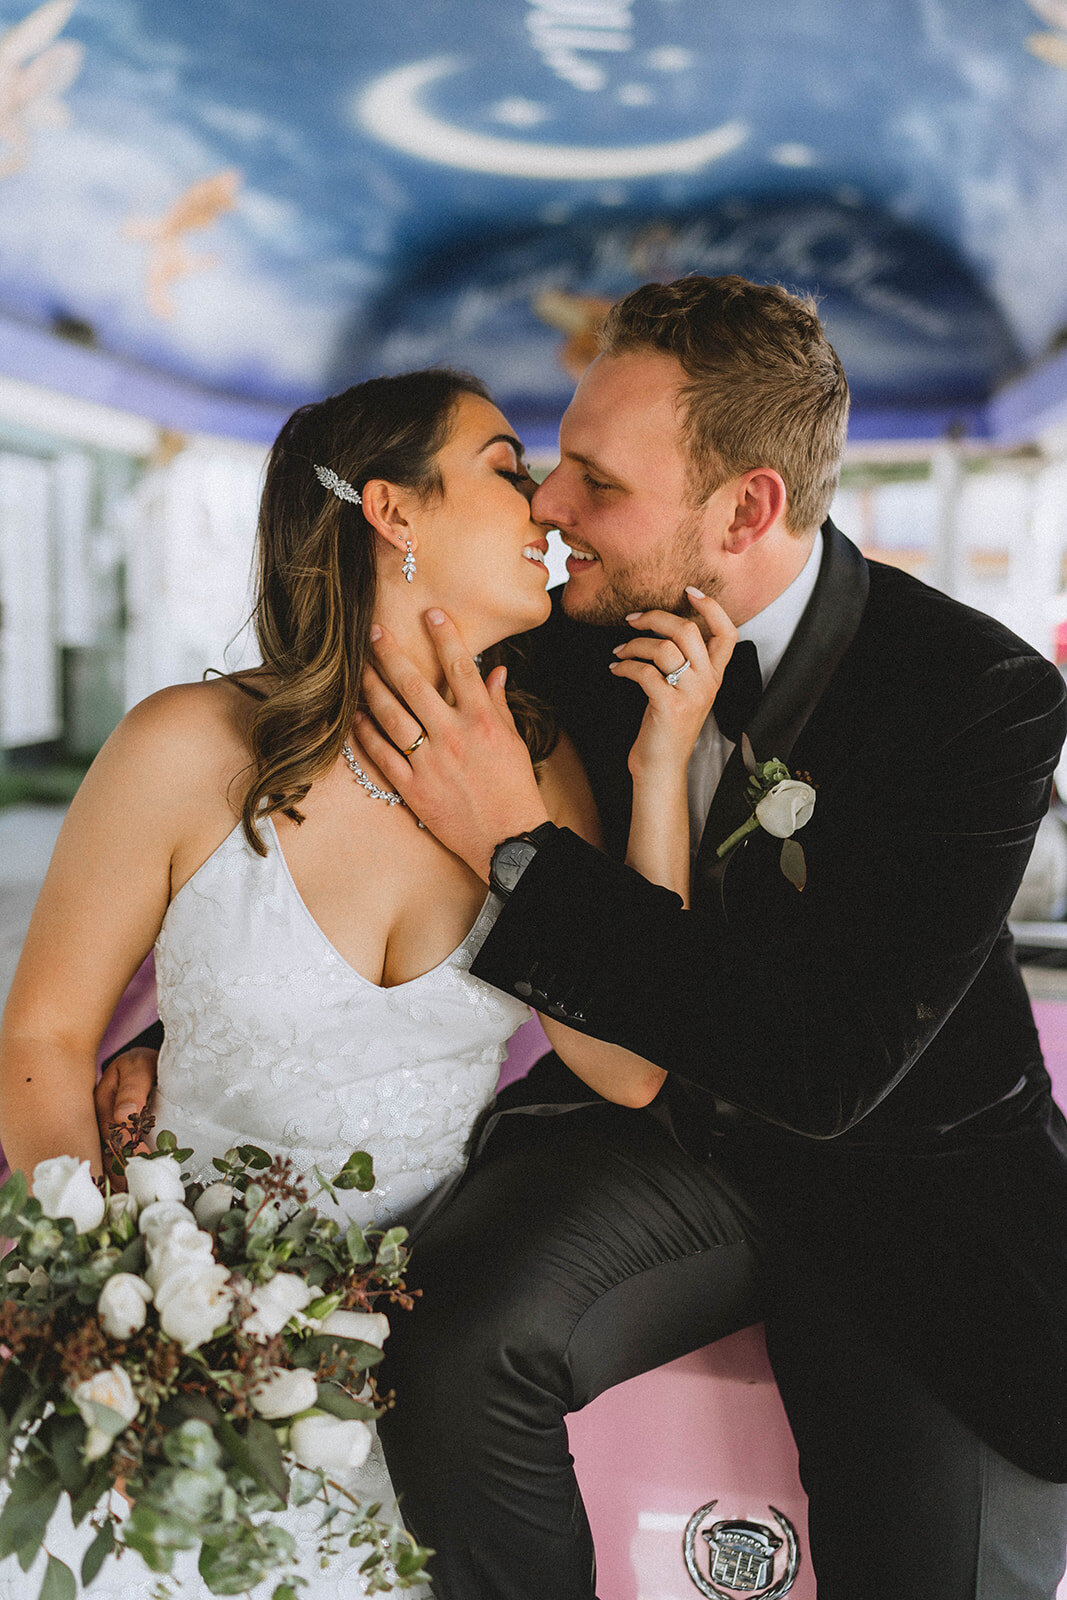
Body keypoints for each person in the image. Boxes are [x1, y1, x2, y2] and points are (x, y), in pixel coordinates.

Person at [346, 277, 1067, 1600]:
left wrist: (524, 851)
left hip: (891, 1175)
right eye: (551, 464)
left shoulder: (979, 700)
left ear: (745, 508)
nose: (550, 509)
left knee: (927, 1565)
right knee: (441, 1337)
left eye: (593, 481)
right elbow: (364, 847)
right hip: (639, 1131)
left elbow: (822, 1070)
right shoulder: (561, 643)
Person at [0, 368, 734, 1597]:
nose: (545, 509)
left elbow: (627, 1061)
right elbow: (45, 1031)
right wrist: (116, 1300)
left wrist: (659, 766)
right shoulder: (186, 747)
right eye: (506, 468)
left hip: (399, 1371)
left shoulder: (541, 776)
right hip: (164, 1344)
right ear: (392, 512)